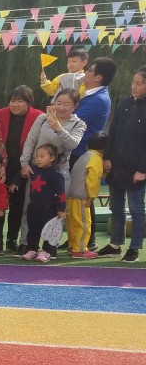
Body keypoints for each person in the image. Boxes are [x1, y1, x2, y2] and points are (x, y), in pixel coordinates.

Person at [17, 89, 86, 256]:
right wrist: (24, 163)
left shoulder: (78, 124)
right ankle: (27, 244)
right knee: (30, 207)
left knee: (57, 210)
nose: (61, 107)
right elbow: (30, 140)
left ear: (75, 106)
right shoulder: (42, 118)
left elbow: (73, 144)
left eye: (66, 104)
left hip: (59, 172)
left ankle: (50, 247)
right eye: (58, 103)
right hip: (36, 170)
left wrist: (58, 128)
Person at [99, 66, 146, 262]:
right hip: (117, 165)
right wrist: (107, 157)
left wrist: (143, 169)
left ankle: (134, 248)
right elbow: (114, 132)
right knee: (116, 208)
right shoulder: (125, 103)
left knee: (136, 209)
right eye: (133, 82)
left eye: (139, 83)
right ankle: (115, 245)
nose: (134, 86)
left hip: (136, 169)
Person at [72, 57, 117, 250]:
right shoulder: (88, 93)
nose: (85, 72)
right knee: (75, 197)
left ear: (98, 77)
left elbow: (72, 120)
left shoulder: (98, 100)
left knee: (83, 197)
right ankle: (77, 237)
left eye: (89, 70)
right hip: (77, 151)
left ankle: (88, 240)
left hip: (82, 152)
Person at [0, 86, 44, 252]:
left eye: (20, 101)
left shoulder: (39, 117)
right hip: (1, 166)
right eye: (13, 101)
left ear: (28, 102)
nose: (15, 104)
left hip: (25, 167)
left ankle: (12, 239)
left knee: (18, 206)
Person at [20, 144, 67, 263]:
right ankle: (32, 249)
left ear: (52, 158)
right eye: (37, 156)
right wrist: (17, 180)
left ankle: (47, 251)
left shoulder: (56, 175)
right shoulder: (33, 170)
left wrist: (61, 209)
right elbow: (22, 174)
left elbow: (61, 193)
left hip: (49, 208)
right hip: (34, 206)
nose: (38, 159)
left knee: (49, 230)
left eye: (42, 156)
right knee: (33, 229)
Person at [67, 133, 105, 258]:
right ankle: (81, 249)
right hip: (82, 196)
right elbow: (93, 178)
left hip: (71, 194)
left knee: (73, 223)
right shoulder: (96, 158)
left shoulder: (84, 156)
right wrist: (92, 196)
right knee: (83, 224)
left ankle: (73, 246)